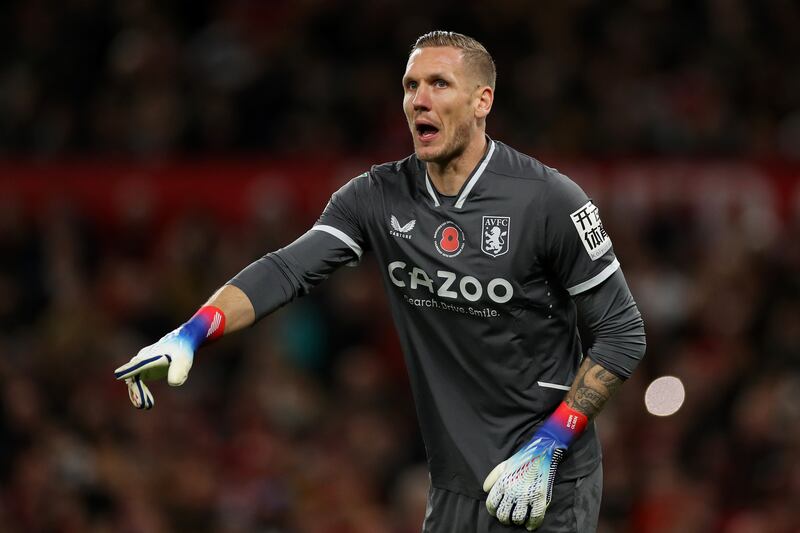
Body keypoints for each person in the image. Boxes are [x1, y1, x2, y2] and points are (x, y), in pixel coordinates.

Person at [115, 31, 646, 532]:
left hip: (549, 478)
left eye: (439, 84)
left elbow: (623, 333)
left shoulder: (550, 200)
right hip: (455, 482)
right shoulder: (376, 196)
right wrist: (192, 331)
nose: (419, 99)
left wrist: (552, 441)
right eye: (411, 86)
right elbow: (287, 269)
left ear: (482, 101)